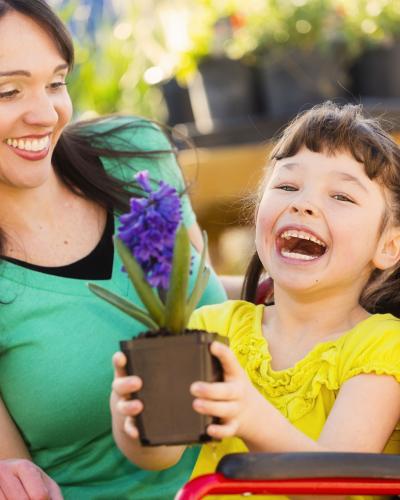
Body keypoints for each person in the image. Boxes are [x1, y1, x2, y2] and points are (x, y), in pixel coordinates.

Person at [112, 102, 400, 500]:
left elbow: (339, 485)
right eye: (286, 186)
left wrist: (250, 416)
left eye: (341, 196)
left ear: (389, 245)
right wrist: (135, 415)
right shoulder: (215, 327)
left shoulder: (383, 346)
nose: (303, 203)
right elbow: (160, 456)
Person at [0, 1, 227, 499]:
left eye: (56, 82)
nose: (45, 114)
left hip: (243, 482)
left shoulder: (134, 156)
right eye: (8, 91)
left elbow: (207, 295)